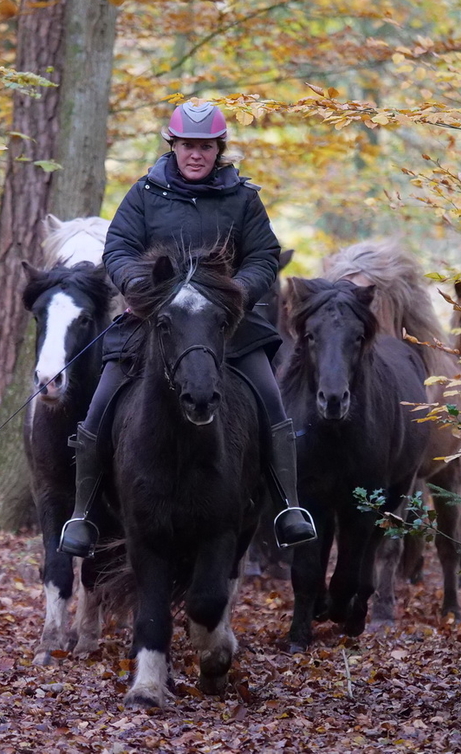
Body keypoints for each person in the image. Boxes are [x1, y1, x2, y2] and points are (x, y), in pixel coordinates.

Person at [58, 101, 317, 557]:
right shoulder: (144, 194)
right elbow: (117, 248)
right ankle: (82, 514)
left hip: (226, 325)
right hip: (154, 321)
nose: (195, 154)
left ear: (219, 149)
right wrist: (139, 286)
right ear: (172, 146)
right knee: (99, 406)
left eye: (205, 147)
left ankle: (288, 507)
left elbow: (263, 256)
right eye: (187, 146)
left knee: (272, 403)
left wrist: (236, 290)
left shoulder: (243, 199)